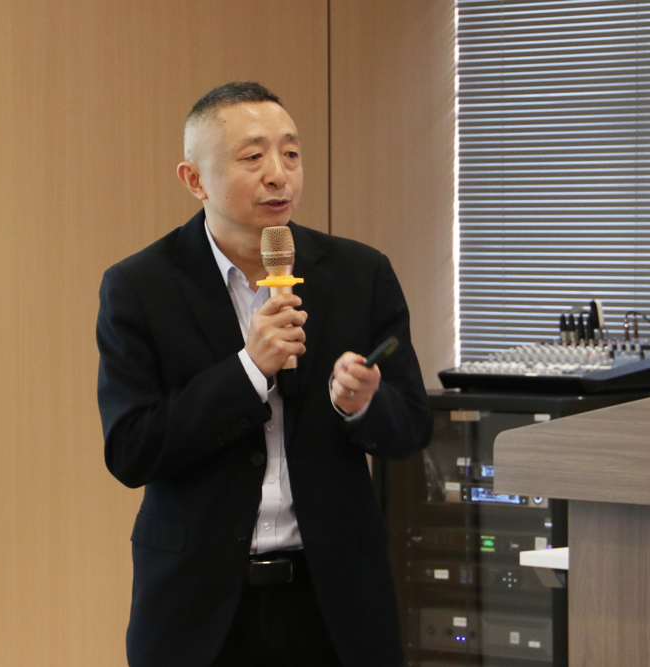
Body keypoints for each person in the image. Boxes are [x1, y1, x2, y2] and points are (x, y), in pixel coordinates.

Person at [97, 81, 432, 667]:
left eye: (291, 153)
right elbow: (132, 449)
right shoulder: (140, 287)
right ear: (195, 180)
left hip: (335, 604)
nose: (279, 175)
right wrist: (248, 370)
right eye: (253, 157)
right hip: (198, 608)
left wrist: (364, 404)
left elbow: (411, 430)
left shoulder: (359, 273)